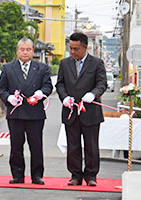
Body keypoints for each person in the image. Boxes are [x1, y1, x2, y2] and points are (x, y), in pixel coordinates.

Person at [0, 38, 53, 185]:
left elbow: (48, 86)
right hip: (15, 113)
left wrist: (41, 93)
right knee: (16, 145)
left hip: (35, 113)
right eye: (22, 49)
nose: (25, 52)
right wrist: (9, 98)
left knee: (36, 145)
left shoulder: (42, 68)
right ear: (17, 51)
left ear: (33, 51)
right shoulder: (8, 68)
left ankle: (37, 175)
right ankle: (17, 175)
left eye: (28, 49)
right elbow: (1, 89)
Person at [55, 32, 107, 187]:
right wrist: (64, 97)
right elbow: (60, 84)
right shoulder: (65, 63)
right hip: (71, 111)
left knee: (91, 145)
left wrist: (93, 94)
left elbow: (102, 83)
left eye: (76, 49)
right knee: (73, 145)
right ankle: (75, 175)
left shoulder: (97, 63)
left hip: (90, 112)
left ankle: (91, 176)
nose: (72, 52)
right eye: (70, 48)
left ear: (85, 47)